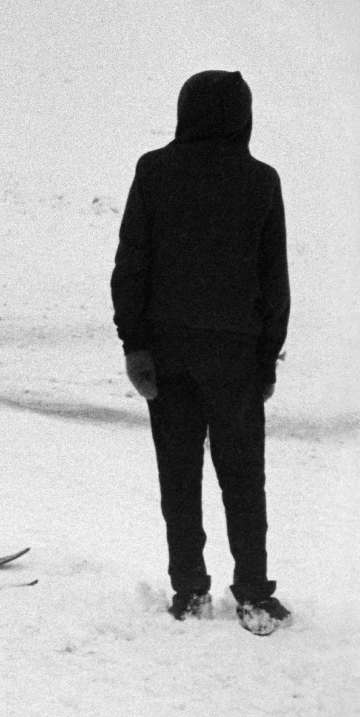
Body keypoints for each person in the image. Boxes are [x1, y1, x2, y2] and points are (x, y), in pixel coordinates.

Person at [112, 70, 291, 635]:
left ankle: (189, 589)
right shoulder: (261, 180)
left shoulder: (154, 170)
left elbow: (130, 266)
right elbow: (274, 282)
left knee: (178, 473)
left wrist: (135, 344)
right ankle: (255, 595)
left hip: (167, 352)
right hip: (236, 355)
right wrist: (266, 359)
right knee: (243, 477)